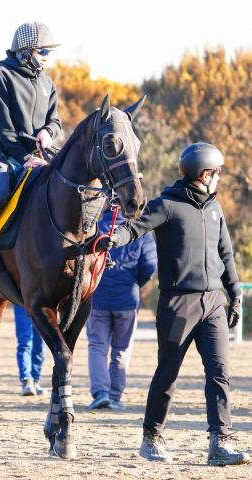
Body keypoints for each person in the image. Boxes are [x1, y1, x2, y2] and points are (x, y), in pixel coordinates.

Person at [104, 143, 250, 466]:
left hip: (213, 302)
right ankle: (151, 437)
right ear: (204, 174)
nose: (220, 178)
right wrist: (111, 238)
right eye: (218, 173)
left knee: (219, 373)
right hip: (178, 304)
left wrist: (235, 295)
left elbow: (225, 254)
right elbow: (135, 227)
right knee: (168, 374)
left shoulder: (215, 208)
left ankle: (220, 442)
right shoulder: (167, 205)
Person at [0, 21, 62, 277]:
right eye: (44, 52)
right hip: (3, 153)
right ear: (27, 50)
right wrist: (25, 157)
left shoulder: (47, 83)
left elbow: (56, 121)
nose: (47, 59)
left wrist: (48, 132)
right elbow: (4, 127)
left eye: (49, 53)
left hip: (38, 155)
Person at [87, 209, 157, 411]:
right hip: (127, 300)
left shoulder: (94, 228)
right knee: (121, 349)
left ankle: (100, 392)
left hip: (97, 299)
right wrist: (135, 283)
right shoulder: (140, 231)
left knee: (97, 346)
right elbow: (150, 265)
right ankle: (115, 395)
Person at [13, 305, 46, 396]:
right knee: (25, 343)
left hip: (41, 302)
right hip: (21, 302)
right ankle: (26, 380)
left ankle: (35, 380)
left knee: (40, 345)